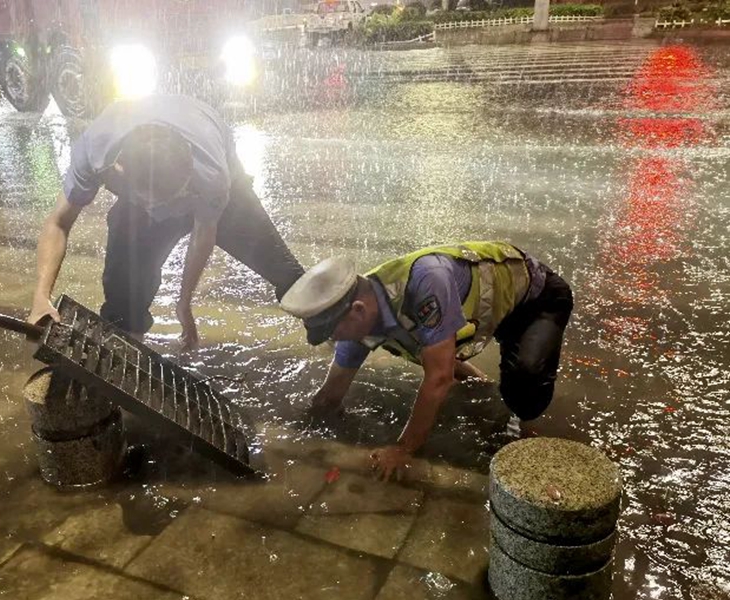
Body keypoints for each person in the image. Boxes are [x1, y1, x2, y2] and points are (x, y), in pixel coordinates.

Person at [280, 241, 573, 481]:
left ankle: (522, 417)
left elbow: (439, 378)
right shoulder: (364, 312)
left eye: (334, 332)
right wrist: (303, 428)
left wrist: (403, 448)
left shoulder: (425, 282)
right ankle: (483, 386)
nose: (335, 340)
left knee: (522, 390)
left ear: (357, 310)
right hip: (491, 309)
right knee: (425, 345)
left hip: (537, 299)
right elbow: (333, 391)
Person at [28, 95, 304, 348]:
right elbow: (58, 223)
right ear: (119, 171)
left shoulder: (211, 174)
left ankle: (339, 329)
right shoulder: (94, 152)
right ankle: (126, 346)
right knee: (124, 296)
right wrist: (40, 297)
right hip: (143, 201)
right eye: (158, 202)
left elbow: (203, 235)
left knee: (284, 270)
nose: (171, 212)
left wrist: (184, 303)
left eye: (176, 195)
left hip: (215, 189)